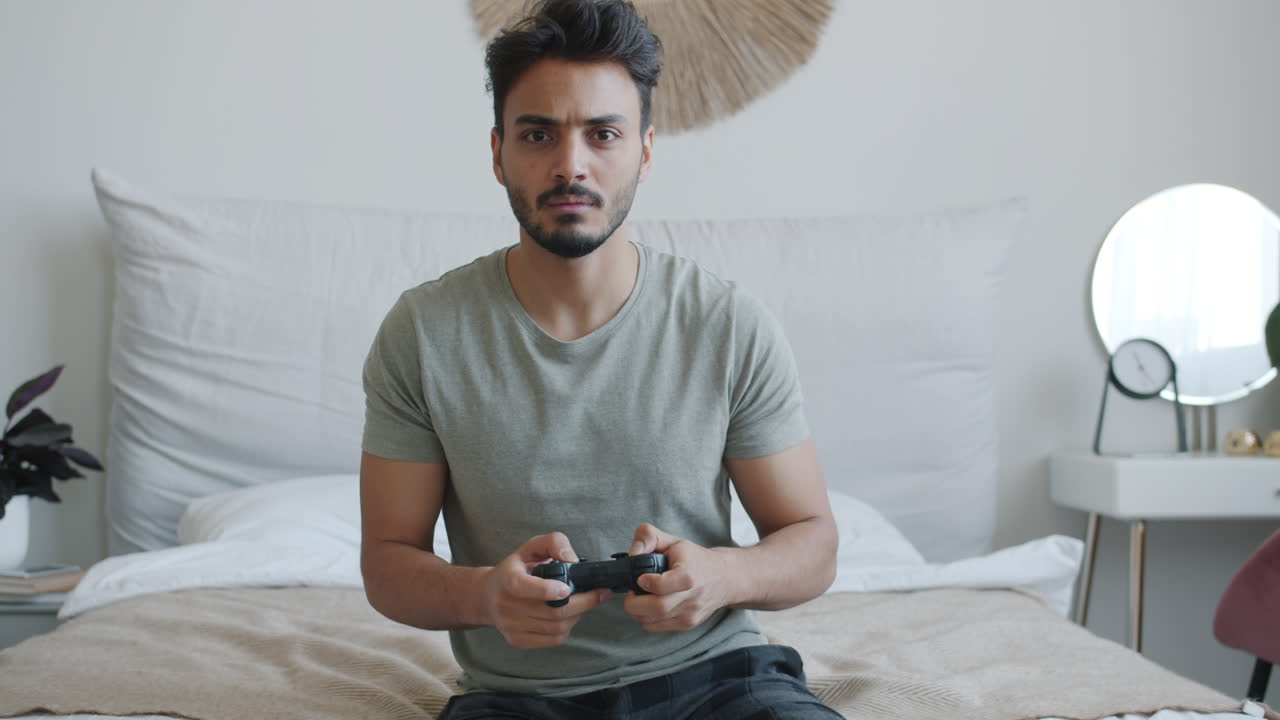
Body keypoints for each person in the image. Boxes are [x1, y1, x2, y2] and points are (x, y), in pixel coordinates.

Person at [359, 0, 842, 717]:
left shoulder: (727, 325)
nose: (570, 165)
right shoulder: (422, 334)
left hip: (720, 679)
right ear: (497, 153)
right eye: (538, 134)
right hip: (519, 699)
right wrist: (485, 595)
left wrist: (720, 577)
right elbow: (387, 562)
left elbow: (813, 544)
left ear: (644, 152)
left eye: (603, 134)